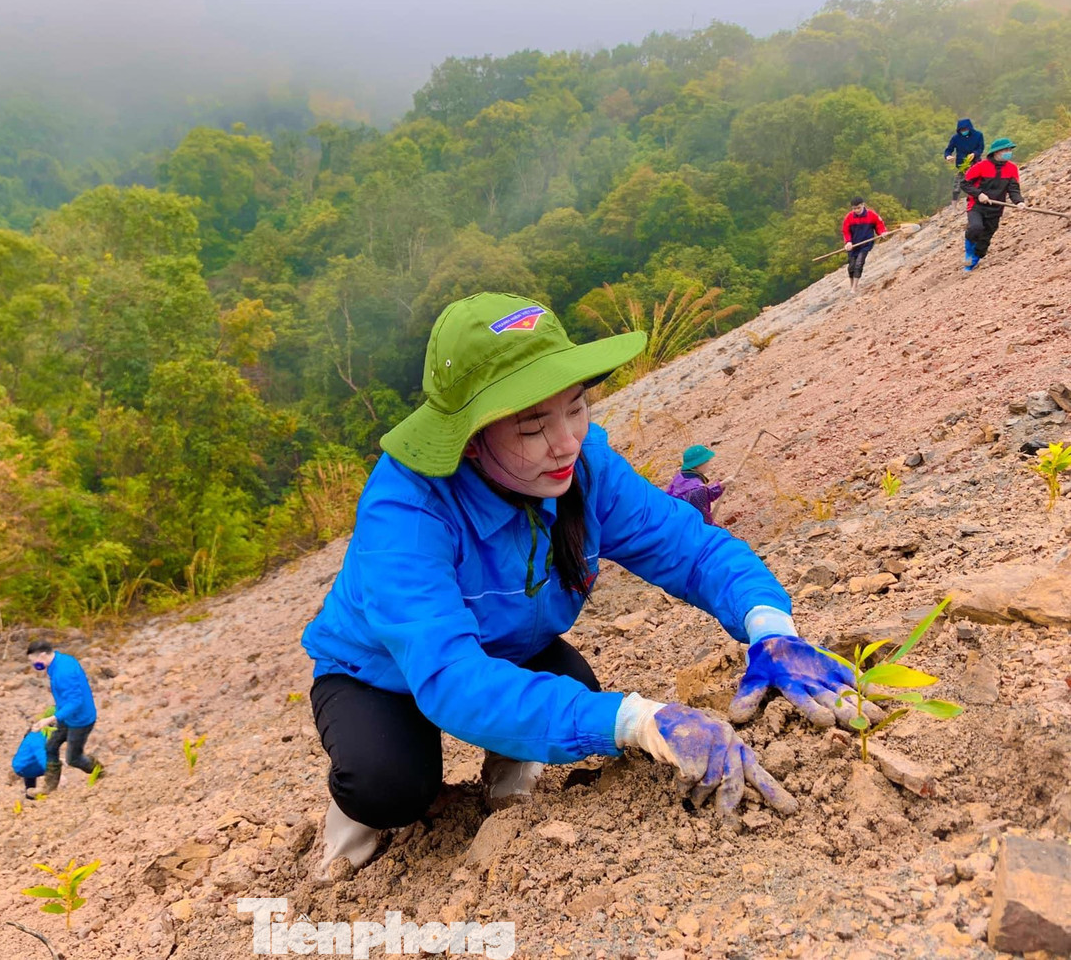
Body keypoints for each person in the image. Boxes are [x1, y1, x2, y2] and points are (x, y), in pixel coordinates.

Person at [300, 292, 871, 878]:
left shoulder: (582, 468)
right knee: (388, 784)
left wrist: (770, 630)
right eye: (532, 426)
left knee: (575, 686)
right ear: (469, 438)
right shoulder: (407, 512)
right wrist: (637, 721)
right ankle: (355, 824)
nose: (567, 441)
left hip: (509, 646)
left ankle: (507, 781)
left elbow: (691, 548)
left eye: (576, 408)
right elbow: (449, 678)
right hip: (379, 675)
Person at [27, 640, 104, 792]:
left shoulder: (64, 671)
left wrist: (49, 719)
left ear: (42, 655)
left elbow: (76, 702)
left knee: (73, 758)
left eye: (33, 661)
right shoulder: (59, 662)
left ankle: (100, 772)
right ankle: (50, 787)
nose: (34, 665)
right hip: (66, 716)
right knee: (50, 746)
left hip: (80, 720)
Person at [959, 137, 1027, 272]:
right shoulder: (980, 166)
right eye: (1006, 150)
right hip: (977, 206)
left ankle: (975, 259)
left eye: (1010, 150)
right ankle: (969, 252)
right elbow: (965, 184)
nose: (1009, 152)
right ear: (996, 152)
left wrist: (1019, 201)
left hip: (996, 208)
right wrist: (979, 194)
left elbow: (1013, 189)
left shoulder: (1012, 169)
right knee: (975, 228)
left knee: (986, 236)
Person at [665, 445, 726, 524]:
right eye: (707, 460)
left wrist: (721, 485)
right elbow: (703, 524)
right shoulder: (697, 491)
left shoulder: (681, 476)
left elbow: (704, 495)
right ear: (698, 464)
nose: (709, 463)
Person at [839, 197, 888, 294]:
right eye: (854, 208)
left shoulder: (871, 215)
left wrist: (883, 232)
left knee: (859, 264)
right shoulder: (849, 217)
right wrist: (848, 242)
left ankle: (854, 288)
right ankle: (851, 285)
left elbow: (879, 225)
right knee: (851, 266)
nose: (856, 210)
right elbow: (845, 231)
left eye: (858, 208)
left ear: (863, 205)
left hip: (865, 244)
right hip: (852, 245)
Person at [944, 119, 984, 202]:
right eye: (962, 130)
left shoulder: (978, 135)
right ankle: (954, 207)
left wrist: (974, 154)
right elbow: (948, 150)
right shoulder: (955, 138)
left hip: (975, 163)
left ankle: (975, 199)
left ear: (969, 128)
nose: (964, 131)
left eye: (965, 129)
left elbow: (980, 148)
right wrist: (948, 156)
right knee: (958, 184)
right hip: (962, 165)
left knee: (977, 182)